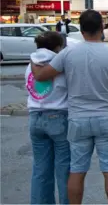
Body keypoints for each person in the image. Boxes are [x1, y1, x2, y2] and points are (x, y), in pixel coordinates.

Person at [30, 9, 108, 204]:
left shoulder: (68, 53)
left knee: (77, 171)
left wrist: (34, 61)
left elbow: (41, 76)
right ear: (102, 28)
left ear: (81, 30)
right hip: (107, 117)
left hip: (78, 120)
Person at [27, 31, 69, 205]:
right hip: (58, 117)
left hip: (35, 117)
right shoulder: (58, 63)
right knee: (64, 170)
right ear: (58, 47)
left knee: (40, 170)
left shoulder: (31, 65)